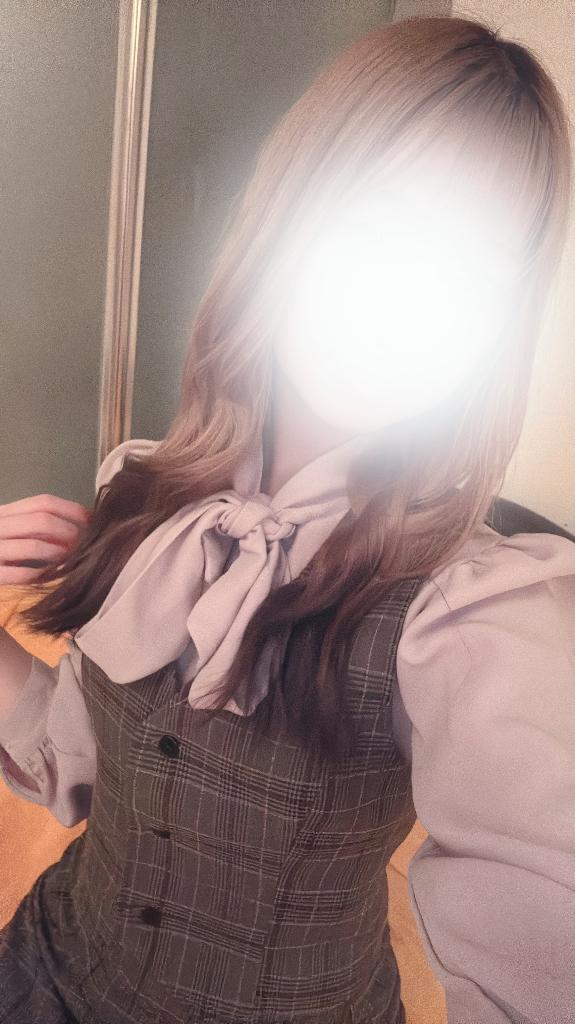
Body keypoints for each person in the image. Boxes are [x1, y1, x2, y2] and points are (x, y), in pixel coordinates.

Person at [0, 14, 574, 1024]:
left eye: (465, 264)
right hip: (40, 973)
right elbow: (78, 763)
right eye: (371, 220)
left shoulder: (469, 613)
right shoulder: (142, 489)